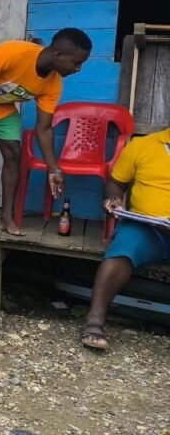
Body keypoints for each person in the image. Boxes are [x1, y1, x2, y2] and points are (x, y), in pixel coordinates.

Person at [0, 29, 92, 236]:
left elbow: (44, 128)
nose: (78, 69)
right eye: (76, 63)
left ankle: (6, 218)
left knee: (14, 153)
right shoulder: (14, 53)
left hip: (1, 106)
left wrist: (54, 169)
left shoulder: (53, 84)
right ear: (57, 54)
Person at [81, 126, 170, 350]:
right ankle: (94, 321)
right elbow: (116, 183)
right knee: (123, 249)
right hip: (147, 228)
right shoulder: (143, 145)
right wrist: (113, 200)